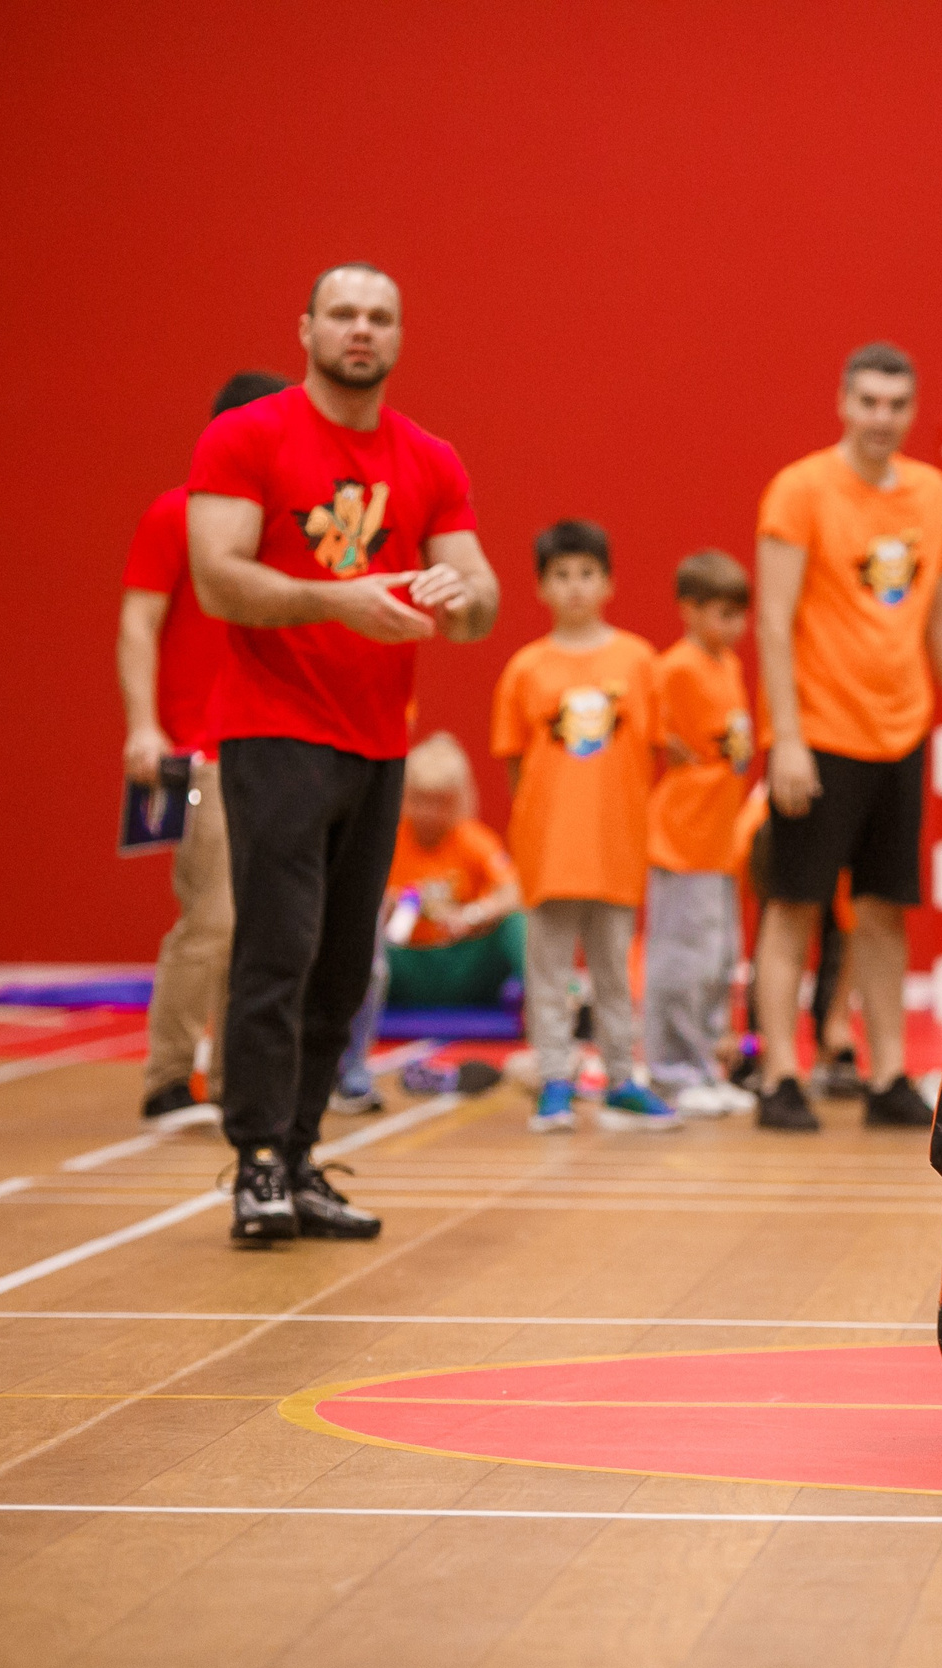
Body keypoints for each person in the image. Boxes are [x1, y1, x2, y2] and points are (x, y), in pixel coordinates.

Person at [186, 263, 498, 1246]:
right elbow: (219, 582)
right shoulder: (247, 437)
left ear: (399, 336)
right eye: (343, 314)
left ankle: (305, 1152)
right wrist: (339, 597)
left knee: (343, 962)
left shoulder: (429, 458)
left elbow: (480, 594)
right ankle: (257, 1164)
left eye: (379, 317)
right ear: (308, 327)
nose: (360, 330)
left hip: (376, 741)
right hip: (274, 728)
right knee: (276, 951)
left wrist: (460, 601)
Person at [752, 342, 942, 1133]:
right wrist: (784, 736)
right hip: (819, 733)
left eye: (896, 404)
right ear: (843, 404)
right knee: (794, 906)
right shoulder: (800, 490)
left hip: (902, 734)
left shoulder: (928, 492)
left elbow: (938, 618)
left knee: (887, 908)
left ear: (911, 410)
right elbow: (774, 622)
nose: (882, 417)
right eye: (868, 402)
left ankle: (887, 1070)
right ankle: (781, 1073)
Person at [119, 369, 290, 1130]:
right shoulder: (175, 515)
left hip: (278, 746)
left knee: (263, 923)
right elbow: (138, 624)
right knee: (212, 916)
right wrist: (143, 726)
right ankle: (167, 1075)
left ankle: (230, 1081)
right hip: (201, 754)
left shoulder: (286, 530)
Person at [493, 518, 678, 1134]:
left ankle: (623, 1079)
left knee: (613, 975)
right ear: (542, 588)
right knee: (548, 973)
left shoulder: (638, 661)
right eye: (561, 575)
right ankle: (554, 1081)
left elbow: (650, 751)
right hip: (549, 852)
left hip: (616, 847)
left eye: (587, 574)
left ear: (609, 582)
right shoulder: (525, 669)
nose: (575, 587)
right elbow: (518, 766)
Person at [327, 729, 525, 1111]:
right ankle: (347, 1061)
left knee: (519, 920)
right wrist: (385, 902)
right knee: (358, 929)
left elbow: (515, 890)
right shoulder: (385, 840)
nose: (430, 813)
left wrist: (473, 914)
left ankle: (565, 1011)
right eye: (421, 800)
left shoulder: (473, 840)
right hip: (402, 968)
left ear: (461, 800)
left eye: (442, 803)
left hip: (461, 966)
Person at [646, 549, 767, 1118]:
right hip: (682, 839)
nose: (734, 627)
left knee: (718, 962)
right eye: (721, 613)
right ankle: (672, 1070)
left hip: (719, 845)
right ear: (689, 611)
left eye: (739, 615)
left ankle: (706, 1066)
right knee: (680, 961)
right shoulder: (675, 667)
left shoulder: (729, 665)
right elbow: (654, 730)